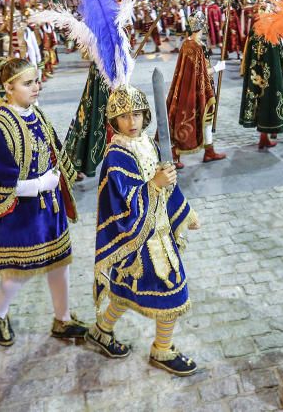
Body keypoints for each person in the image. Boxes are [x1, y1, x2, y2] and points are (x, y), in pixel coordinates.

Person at [0, 58, 86, 348]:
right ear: (8, 88)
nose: (36, 87)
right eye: (28, 83)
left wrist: (60, 175)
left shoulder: (37, 114)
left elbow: (52, 149)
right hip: (19, 213)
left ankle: (63, 319)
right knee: (18, 273)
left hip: (50, 208)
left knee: (59, 264)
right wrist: (38, 185)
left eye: (36, 81)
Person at [89, 83, 201, 376]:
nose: (132, 122)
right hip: (138, 238)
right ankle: (162, 350)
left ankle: (101, 329)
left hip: (160, 229)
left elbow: (167, 186)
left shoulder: (148, 144)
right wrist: (153, 184)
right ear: (114, 121)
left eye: (137, 114)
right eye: (125, 116)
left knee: (124, 289)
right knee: (172, 289)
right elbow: (122, 200)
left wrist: (185, 212)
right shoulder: (116, 156)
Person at [166, 11, 226, 168]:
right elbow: (203, 73)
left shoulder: (186, 43)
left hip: (186, 88)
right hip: (200, 89)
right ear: (203, 26)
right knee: (204, 119)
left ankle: (203, 151)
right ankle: (204, 151)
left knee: (187, 118)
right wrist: (218, 67)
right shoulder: (199, 46)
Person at [239, 28, 283, 149]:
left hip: (255, 73)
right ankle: (266, 135)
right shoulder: (273, 34)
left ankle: (263, 138)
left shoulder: (254, 31)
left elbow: (247, 53)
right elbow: (281, 57)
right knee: (270, 102)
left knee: (260, 101)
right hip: (272, 76)